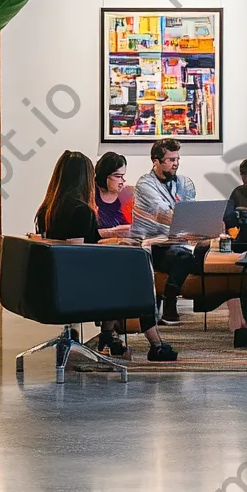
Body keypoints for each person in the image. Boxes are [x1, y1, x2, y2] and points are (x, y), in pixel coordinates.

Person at [35, 150, 177, 362]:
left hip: (54, 283)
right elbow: (76, 256)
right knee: (138, 279)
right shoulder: (80, 210)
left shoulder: (48, 208)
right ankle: (155, 344)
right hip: (74, 287)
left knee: (124, 272)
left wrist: (112, 240)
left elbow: (74, 245)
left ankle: (108, 337)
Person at [131, 139, 198, 326]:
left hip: (177, 241)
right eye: (170, 160)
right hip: (153, 244)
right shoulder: (145, 184)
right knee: (184, 257)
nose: (175, 163)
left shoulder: (184, 183)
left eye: (177, 159)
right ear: (156, 161)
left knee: (201, 252)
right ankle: (170, 301)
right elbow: (163, 214)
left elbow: (189, 211)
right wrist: (190, 225)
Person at [94, 152, 131, 239]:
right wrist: (111, 232)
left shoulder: (127, 194)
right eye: (118, 176)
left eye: (123, 176)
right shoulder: (90, 194)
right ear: (104, 175)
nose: (123, 180)